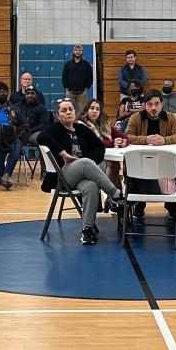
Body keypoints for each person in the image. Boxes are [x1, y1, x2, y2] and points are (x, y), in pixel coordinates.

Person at [37, 98, 125, 245]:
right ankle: (115, 194)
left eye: (70, 109)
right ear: (58, 116)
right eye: (63, 111)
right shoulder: (55, 128)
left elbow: (99, 147)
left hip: (83, 173)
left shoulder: (81, 128)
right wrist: (62, 153)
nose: (68, 112)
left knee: (91, 186)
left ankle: (87, 231)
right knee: (85, 162)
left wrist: (90, 163)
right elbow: (40, 137)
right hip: (63, 177)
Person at [124, 89, 176, 221]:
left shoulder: (170, 117)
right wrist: (145, 140)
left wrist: (165, 140)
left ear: (162, 105)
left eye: (157, 104)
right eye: (150, 104)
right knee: (128, 166)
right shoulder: (135, 118)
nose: (153, 108)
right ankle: (138, 204)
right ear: (144, 105)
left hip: (165, 161)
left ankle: (172, 204)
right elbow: (127, 136)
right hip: (141, 161)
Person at [61, 44, 94, 113]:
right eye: (76, 50)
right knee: (70, 111)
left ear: (82, 52)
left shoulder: (86, 64)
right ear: (73, 52)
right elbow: (64, 77)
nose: (78, 52)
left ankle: (81, 124)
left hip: (82, 93)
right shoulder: (68, 64)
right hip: (70, 93)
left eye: (79, 50)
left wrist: (86, 89)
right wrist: (66, 89)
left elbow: (90, 78)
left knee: (83, 112)